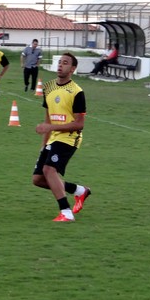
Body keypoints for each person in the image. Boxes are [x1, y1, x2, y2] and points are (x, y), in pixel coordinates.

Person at [33, 52, 91, 222]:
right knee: (38, 179)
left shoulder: (77, 92)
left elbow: (79, 124)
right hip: (53, 138)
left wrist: (50, 127)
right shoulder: (49, 87)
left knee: (49, 170)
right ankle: (80, 191)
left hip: (69, 138)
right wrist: (44, 144)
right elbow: (48, 117)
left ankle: (66, 212)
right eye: (59, 62)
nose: (60, 65)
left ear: (72, 69)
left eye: (65, 63)